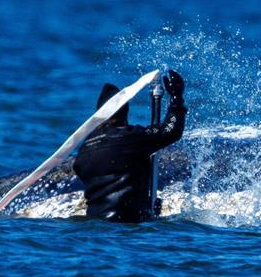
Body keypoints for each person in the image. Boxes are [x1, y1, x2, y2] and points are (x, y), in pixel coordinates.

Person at [72, 70, 186, 223]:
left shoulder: (84, 150)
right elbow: (170, 131)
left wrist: (145, 202)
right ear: (124, 113)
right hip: (125, 225)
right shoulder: (128, 138)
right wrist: (176, 99)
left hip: (94, 225)